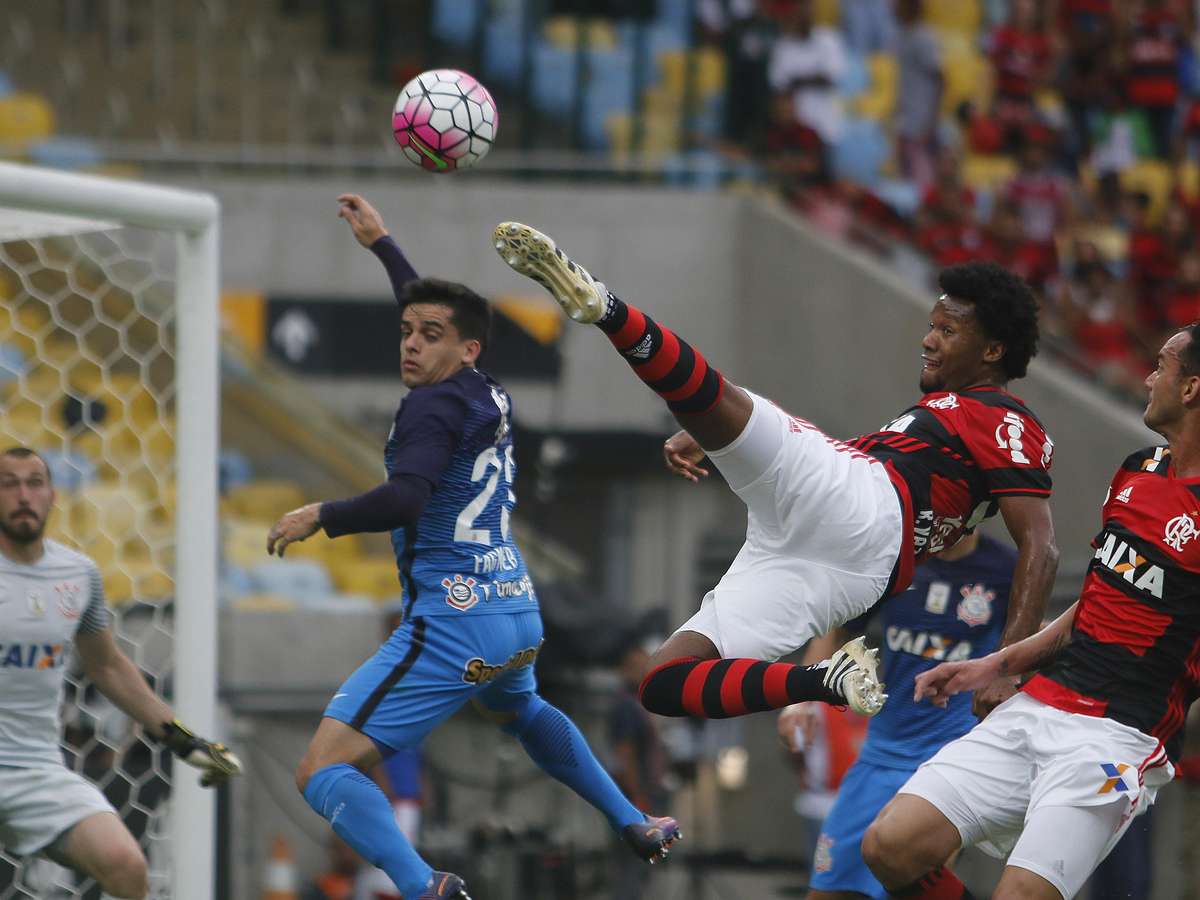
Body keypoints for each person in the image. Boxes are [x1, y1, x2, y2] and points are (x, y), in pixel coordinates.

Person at [266, 195, 680, 900]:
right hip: (514, 610)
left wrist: (322, 515)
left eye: (427, 335)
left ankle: (424, 886)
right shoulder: (483, 389)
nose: (411, 343)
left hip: (452, 623)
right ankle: (633, 820)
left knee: (321, 772)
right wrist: (384, 245)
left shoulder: (430, 405)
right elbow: (441, 315)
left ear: (465, 349)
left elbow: (406, 499)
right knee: (520, 712)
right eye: (406, 332)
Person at [491, 222, 1057, 726]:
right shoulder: (941, 417)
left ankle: (605, 309)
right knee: (663, 682)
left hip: (867, 518)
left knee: (725, 398)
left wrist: (1008, 664)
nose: (928, 340)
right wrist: (718, 437)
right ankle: (823, 681)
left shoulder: (1005, 419)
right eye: (932, 326)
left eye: (948, 331)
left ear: (993, 351)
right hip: (832, 555)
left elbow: (1041, 546)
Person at [860, 325, 1200, 900]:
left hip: (1117, 737)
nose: (1147, 378)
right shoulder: (1138, 471)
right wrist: (996, 664)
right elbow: (1094, 605)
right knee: (889, 847)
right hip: (1040, 703)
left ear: (1190, 388)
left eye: (1161, 365)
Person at [0, 447, 240, 899]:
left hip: (36, 770)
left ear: (53, 496)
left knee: (127, 866)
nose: (23, 495)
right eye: (9, 484)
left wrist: (183, 740)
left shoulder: (77, 575)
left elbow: (107, 665)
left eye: (34, 483)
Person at [779, 530, 1016, 899]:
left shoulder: (1007, 568)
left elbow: (1025, 647)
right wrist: (800, 697)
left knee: (910, 884)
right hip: (879, 755)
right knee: (826, 890)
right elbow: (837, 628)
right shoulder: (899, 557)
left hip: (948, 758)